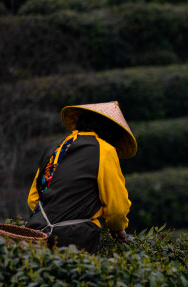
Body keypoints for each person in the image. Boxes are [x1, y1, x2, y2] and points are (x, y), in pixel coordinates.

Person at [26, 101, 134, 253]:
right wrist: (117, 228)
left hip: (37, 233)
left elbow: (33, 199)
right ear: (112, 131)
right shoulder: (104, 150)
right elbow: (116, 208)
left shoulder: (56, 147)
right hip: (75, 240)